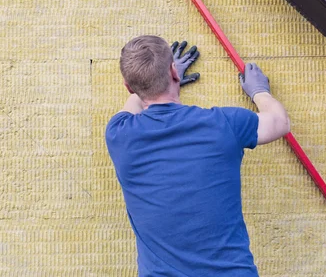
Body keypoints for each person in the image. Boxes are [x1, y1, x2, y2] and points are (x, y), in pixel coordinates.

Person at [105, 35, 290, 276]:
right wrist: (259, 92)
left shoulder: (119, 134)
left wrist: (156, 82)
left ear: (128, 87)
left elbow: (136, 101)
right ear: (174, 71)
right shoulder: (225, 124)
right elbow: (279, 122)